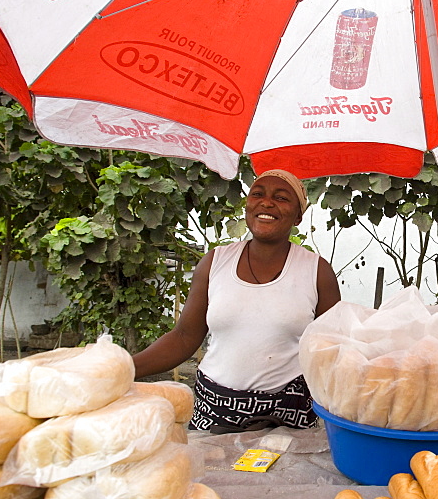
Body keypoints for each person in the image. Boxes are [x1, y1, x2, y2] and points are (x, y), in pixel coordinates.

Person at [132, 169, 342, 432]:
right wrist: (124, 369)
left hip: (287, 416)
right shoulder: (215, 262)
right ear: (247, 206)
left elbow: (332, 353)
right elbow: (185, 337)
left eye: (282, 197)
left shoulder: (316, 272)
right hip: (214, 410)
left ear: (298, 216)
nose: (267, 202)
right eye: (258, 194)